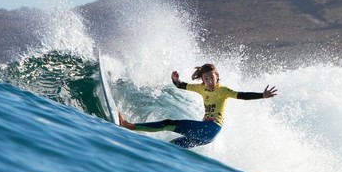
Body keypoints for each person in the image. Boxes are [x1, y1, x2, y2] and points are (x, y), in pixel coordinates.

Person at [119, 63, 277, 149]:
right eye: (206, 78)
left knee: (169, 124)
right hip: (206, 136)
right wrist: (175, 79)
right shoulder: (201, 88)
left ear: (217, 77)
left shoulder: (223, 91)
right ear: (203, 79)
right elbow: (180, 86)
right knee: (171, 147)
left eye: (212, 77)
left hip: (211, 128)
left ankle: (129, 126)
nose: (209, 80)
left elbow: (241, 95)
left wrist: (262, 95)